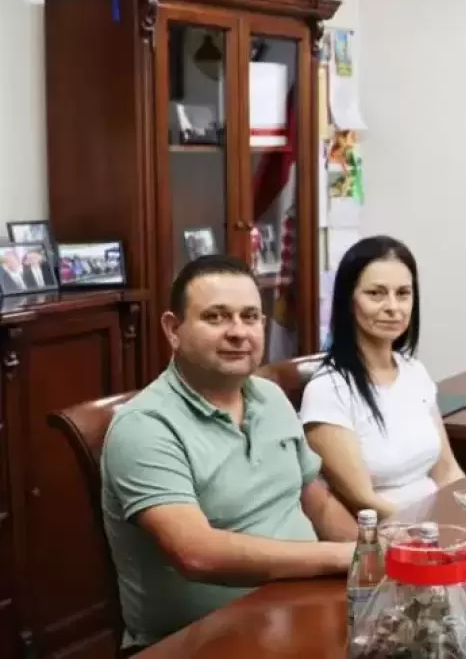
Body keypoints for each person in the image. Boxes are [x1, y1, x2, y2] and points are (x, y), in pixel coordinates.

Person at [101, 255, 358, 652]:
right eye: (216, 317)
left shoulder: (271, 397)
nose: (238, 332)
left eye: (250, 317)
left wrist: (375, 557)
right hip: (201, 641)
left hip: (302, 608)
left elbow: (318, 503)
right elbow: (196, 553)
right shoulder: (144, 426)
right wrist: (341, 558)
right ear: (173, 329)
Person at [300, 235, 466, 518]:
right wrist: (430, 530)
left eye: (403, 294)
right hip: (392, 531)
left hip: (440, 522)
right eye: (376, 293)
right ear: (349, 301)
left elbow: (447, 470)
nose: (393, 307)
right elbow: (363, 500)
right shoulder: (327, 390)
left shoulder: (415, 371)